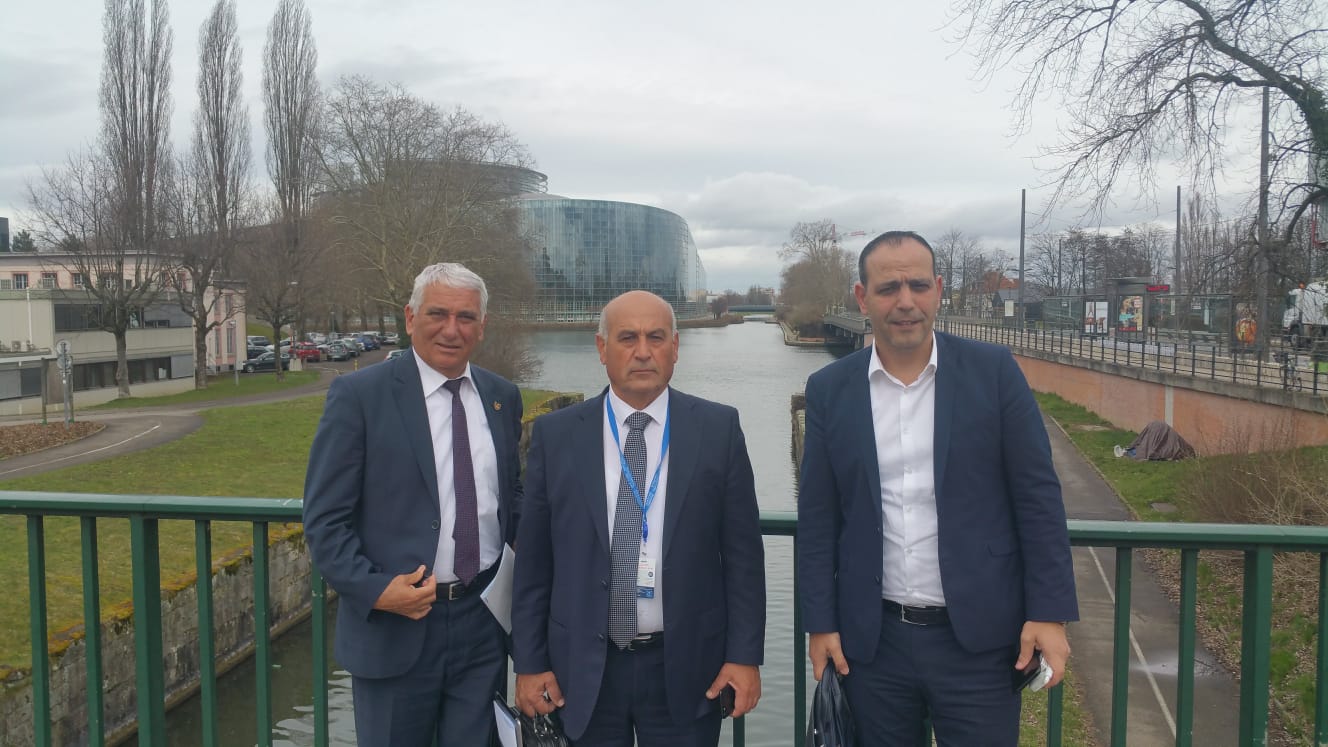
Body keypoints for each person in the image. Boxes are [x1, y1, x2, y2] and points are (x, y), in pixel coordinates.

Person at [796, 231, 1079, 745]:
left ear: (939, 290)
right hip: (872, 647)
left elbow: (1038, 498)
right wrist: (820, 623)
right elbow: (818, 517)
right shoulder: (830, 389)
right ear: (862, 298)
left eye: (919, 285)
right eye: (888, 288)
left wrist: (1048, 612)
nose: (906, 301)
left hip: (979, 642)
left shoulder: (993, 372)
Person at [511, 290, 765, 747]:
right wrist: (529, 663)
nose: (643, 351)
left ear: (675, 348)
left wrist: (744, 656)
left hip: (688, 668)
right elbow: (534, 562)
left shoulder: (718, 429)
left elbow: (744, 558)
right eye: (628, 338)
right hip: (580, 670)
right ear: (602, 348)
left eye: (656, 337)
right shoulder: (557, 435)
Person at [302, 262, 524, 746]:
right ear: (409, 317)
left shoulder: (502, 397)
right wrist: (377, 590)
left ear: (482, 326)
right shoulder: (360, 396)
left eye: (466, 317)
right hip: (396, 625)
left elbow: (511, 499)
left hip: (482, 623)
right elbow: (324, 521)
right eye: (437, 314)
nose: (451, 329)